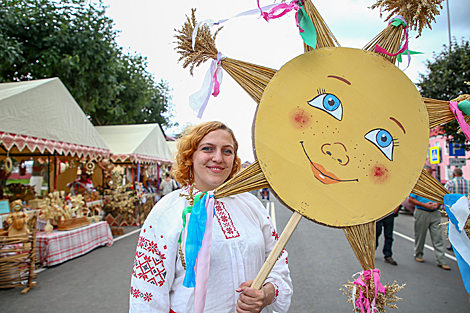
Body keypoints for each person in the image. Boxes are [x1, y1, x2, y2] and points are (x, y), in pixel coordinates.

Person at [129, 121, 292, 313]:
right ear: (190, 155)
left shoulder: (252, 204)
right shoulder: (166, 211)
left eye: (227, 151)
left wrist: (267, 293)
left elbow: (278, 261)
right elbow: (148, 294)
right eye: (208, 149)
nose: (218, 158)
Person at [408, 166, 450, 271]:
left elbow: (442, 196)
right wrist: (424, 204)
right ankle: (418, 254)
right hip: (422, 211)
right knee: (420, 235)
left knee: (438, 237)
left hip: (434, 212)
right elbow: (411, 200)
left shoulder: (435, 184)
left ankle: (441, 260)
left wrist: (438, 204)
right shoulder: (418, 184)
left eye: (429, 173)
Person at [444, 167, 470, 250]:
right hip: (466, 208)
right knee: (465, 227)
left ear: (454, 174)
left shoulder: (450, 183)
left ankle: (454, 245)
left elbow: (445, 196)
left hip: (454, 209)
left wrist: (444, 209)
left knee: (454, 227)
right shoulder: (468, 182)